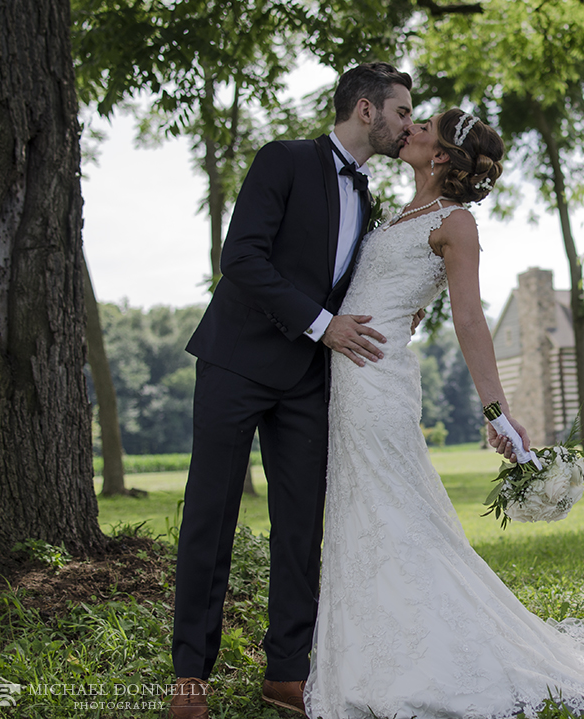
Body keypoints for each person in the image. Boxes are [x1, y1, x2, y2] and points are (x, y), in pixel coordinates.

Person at [303, 109, 584, 719]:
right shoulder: (399, 212)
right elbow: (396, 288)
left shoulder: (457, 223)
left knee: (395, 509)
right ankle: (376, 646)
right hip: (345, 374)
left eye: (424, 125)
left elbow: (471, 319)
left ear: (441, 155)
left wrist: (496, 411)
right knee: (365, 507)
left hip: (377, 379)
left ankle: (424, 658)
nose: (411, 128)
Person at [168, 63, 417, 719]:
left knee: (302, 528)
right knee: (209, 516)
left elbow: (353, 286)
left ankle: (286, 672)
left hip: (309, 380)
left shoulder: (368, 198)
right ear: (366, 110)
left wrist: (392, 314)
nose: (408, 125)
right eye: (401, 113)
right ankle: (190, 673)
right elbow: (242, 258)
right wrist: (321, 323)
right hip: (235, 362)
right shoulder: (282, 160)